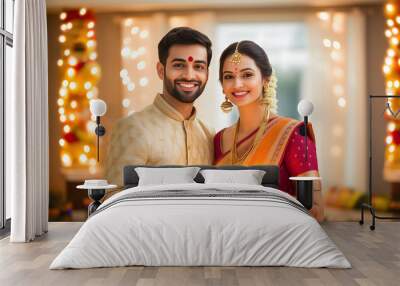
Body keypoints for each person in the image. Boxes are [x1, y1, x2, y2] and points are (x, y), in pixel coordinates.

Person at [214, 40, 324, 221]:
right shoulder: (219, 139)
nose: (237, 84)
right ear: (222, 86)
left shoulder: (293, 134)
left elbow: (317, 210)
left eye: (247, 74)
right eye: (228, 77)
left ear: (265, 79)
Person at [106, 27, 214, 186]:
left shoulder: (208, 134)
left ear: (207, 74)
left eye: (198, 67)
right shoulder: (132, 128)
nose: (189, 75)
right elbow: (114, 199)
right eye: (179, 65)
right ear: (161, 70)